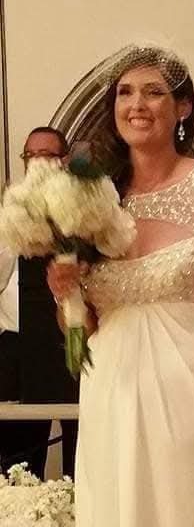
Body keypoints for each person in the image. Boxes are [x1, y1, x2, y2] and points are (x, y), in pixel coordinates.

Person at [47, 45, 194, 527]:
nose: (137, 104)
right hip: (111, 393)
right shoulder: (95, 196)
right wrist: (65, 292)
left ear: (183, 107)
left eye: (153, 92)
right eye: (125, 93)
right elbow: (81, 332)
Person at [0, 126, 79, 479]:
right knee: (20, 462)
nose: (37, 163)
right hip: (18, 350)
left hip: (73, 343)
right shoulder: (9, 211)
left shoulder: (82, 210)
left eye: (46, 155)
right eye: (30, 156)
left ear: (64, 160)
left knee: (81, 451)